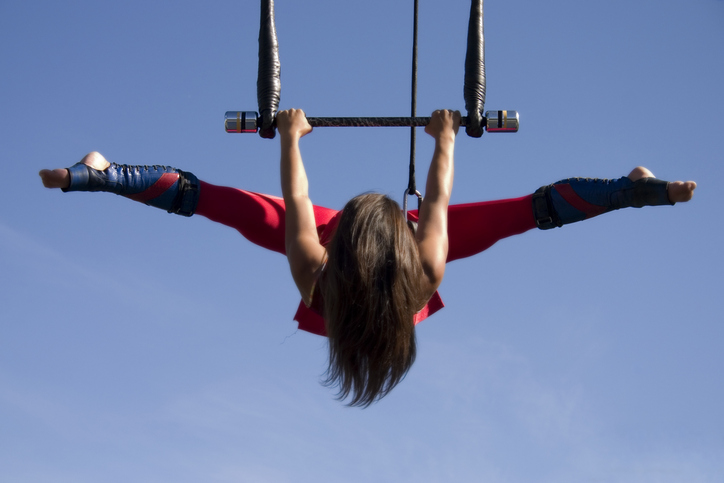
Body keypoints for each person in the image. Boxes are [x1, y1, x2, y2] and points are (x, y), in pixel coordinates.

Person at [39, 109, 697, 407]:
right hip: (391, 278)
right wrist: (444, 137)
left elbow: (295, 196)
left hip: (350, 287)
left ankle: (106, 175)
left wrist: (292, 134)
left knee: (242, 209)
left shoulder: (313, 270)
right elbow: (437, 197)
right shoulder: (426, 262)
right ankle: (631, 189)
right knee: (518, 216)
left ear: (342, 234)